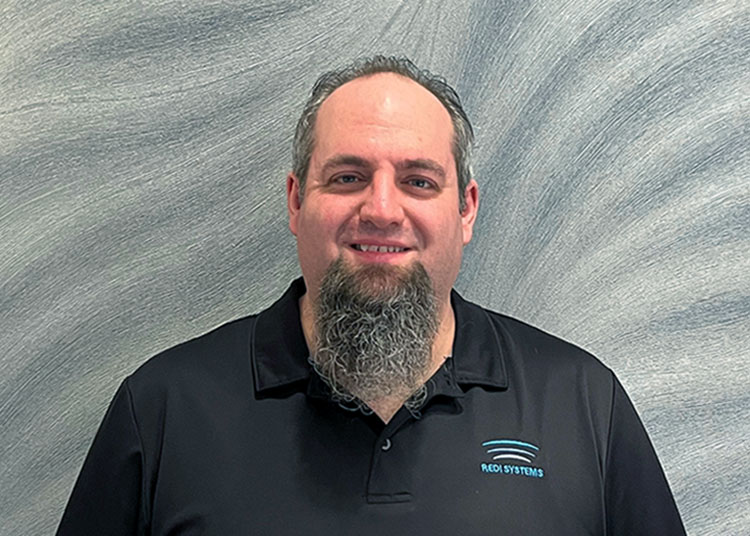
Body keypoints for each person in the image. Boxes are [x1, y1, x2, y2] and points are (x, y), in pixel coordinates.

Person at [57, 56, 686, 535]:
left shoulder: (583, 404)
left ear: (465, 209)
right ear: (296, 201)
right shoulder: (163, 410)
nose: (382, 209)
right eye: (348, 176)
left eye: (418, 181)